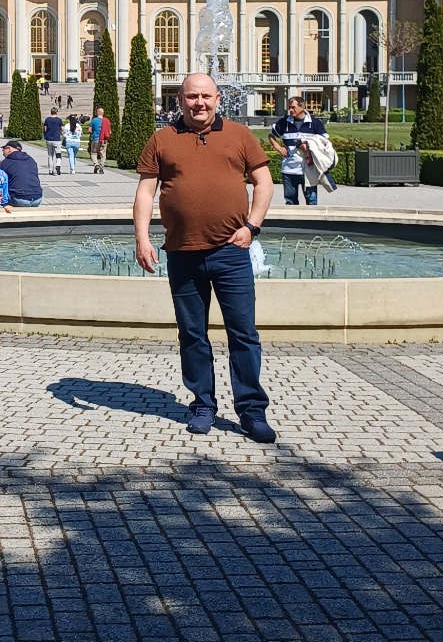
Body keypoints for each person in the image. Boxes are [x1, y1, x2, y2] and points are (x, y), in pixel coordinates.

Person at [134, 73, 277, 443]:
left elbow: (264, 182)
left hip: (232, 252)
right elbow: (146, 191)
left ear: (217, 99)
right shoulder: (162, 139)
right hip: (182, 254)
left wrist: (252, 226)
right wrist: (141, 238)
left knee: (243, 334)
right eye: (192, 96)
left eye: (206, 96)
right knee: (192, 335)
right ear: (179, 99)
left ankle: (251, 411)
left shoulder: (241, 135)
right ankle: (202, 404)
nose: (199, 102)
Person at [269, 97, 329, 206]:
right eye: (289, 108)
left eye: (293, 107)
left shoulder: (314, 122)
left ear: (302, 107)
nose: (291, 110)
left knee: (311, 202)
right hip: (289, 169)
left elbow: (325, 141)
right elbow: (271, 135)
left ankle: (312, 223)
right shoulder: (284, 122)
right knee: (290, 201)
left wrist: (309, 145)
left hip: (309, 169)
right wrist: (278, 147)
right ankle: (291, 223)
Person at [0, 140, 44, 207]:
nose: (3, 152)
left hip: (18, 199)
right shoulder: (31, 160)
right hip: (37, 198)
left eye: (4, 149)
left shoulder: (6, 162)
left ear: (8, 149)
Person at [89, 107, 112, 173]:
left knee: (94, 153)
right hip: (104, 139)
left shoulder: (94, 120)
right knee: (103, 153)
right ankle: (101, 166)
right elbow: (109, 132)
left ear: (97, 113)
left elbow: (89, 130)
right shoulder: (107, 121)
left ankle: (96, 164)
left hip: (96, 138)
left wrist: (94, 131)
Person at [43, 109, 66, 175]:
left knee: (50, 155)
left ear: (51, 112)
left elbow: (45, 129)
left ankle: (50, 170)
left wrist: (46, 135)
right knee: (58, 154)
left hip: (49, 139)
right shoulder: (59, 120)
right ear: (56, 112)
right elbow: (62, 129)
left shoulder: (47, 119)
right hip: (57, 140)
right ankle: (58, 165)